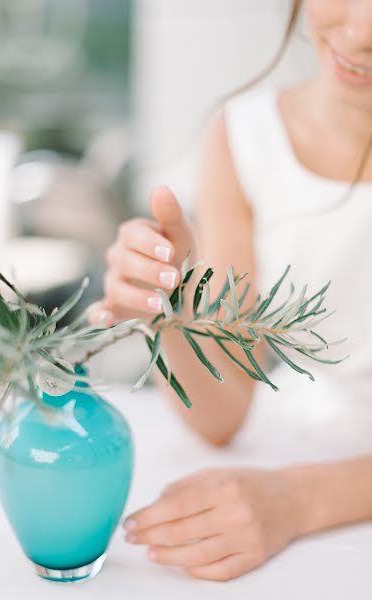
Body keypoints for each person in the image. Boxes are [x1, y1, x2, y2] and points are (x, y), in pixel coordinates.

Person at [88, 0, 372, 582]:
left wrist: (299, 500)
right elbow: (221, 415)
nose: (360, 30)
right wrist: (173, 305)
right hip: (305, 463)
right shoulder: (246, 135)